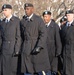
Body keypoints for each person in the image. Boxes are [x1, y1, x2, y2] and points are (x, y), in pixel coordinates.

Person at [20, 3, 51, 75]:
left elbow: (43, 34)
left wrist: (39, 46)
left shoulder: (38, 20)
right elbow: (21, 36)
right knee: (28, 69)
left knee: (39, 69)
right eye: (25, 9)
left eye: (28, 9)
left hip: (36, 48)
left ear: (32, 9)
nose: (26, 11)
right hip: (26, 48)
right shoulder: (23, 21)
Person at [0, 4, 21, 75]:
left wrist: (17, 50)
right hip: (4, 49)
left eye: (5, 10)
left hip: (12, 49)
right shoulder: (2, 22)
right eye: (3, 10)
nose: (4, 12)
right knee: (3, 69)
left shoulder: (16, 21)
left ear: (10, 10)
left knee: (12, 70)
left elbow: (18, 37)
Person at [42, 11, 62, 75]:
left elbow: (58, 39)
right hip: (45, 52)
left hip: (53, 52)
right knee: (46, 70)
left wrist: (58, 51)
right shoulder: (43, 26)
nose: (45, 18)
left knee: (53, 70)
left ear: (50, 17)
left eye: (46, 17)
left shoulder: (55, 26)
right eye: (44, 17)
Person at [60, 10, 74, 75]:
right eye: (66, 15)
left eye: (69, 15)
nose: (67, 17)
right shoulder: (64, 28)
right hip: (65, 53)